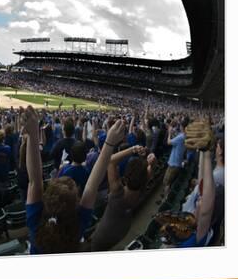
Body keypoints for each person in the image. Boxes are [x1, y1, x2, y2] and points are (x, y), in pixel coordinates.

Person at [24, 105, 125, 254]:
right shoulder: (77, 225)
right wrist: (109, 143)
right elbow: (92, 185)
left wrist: (32, 135)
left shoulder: (36, 222)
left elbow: (34, 181)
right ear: (76, 203)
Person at [91, 145, 148, 251]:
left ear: (125, 178)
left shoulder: (118, 191)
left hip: (104, 234)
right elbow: (148, 171)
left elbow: (111, 160)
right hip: (122, 231)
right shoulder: (142, 189)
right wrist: (148, 160)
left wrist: (133, 149)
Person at [162, 117, 189, 194]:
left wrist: (169, 133)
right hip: (178, 161)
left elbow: (169, 142)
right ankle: (166, 195)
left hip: (174, 163)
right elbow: (177, 136)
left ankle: (165, 197)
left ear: (182, 127)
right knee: (170, 182)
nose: (179, 126)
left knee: (166, 182)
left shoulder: (181, 137)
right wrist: (172, 132)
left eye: (180, 125)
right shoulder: (184, 135)